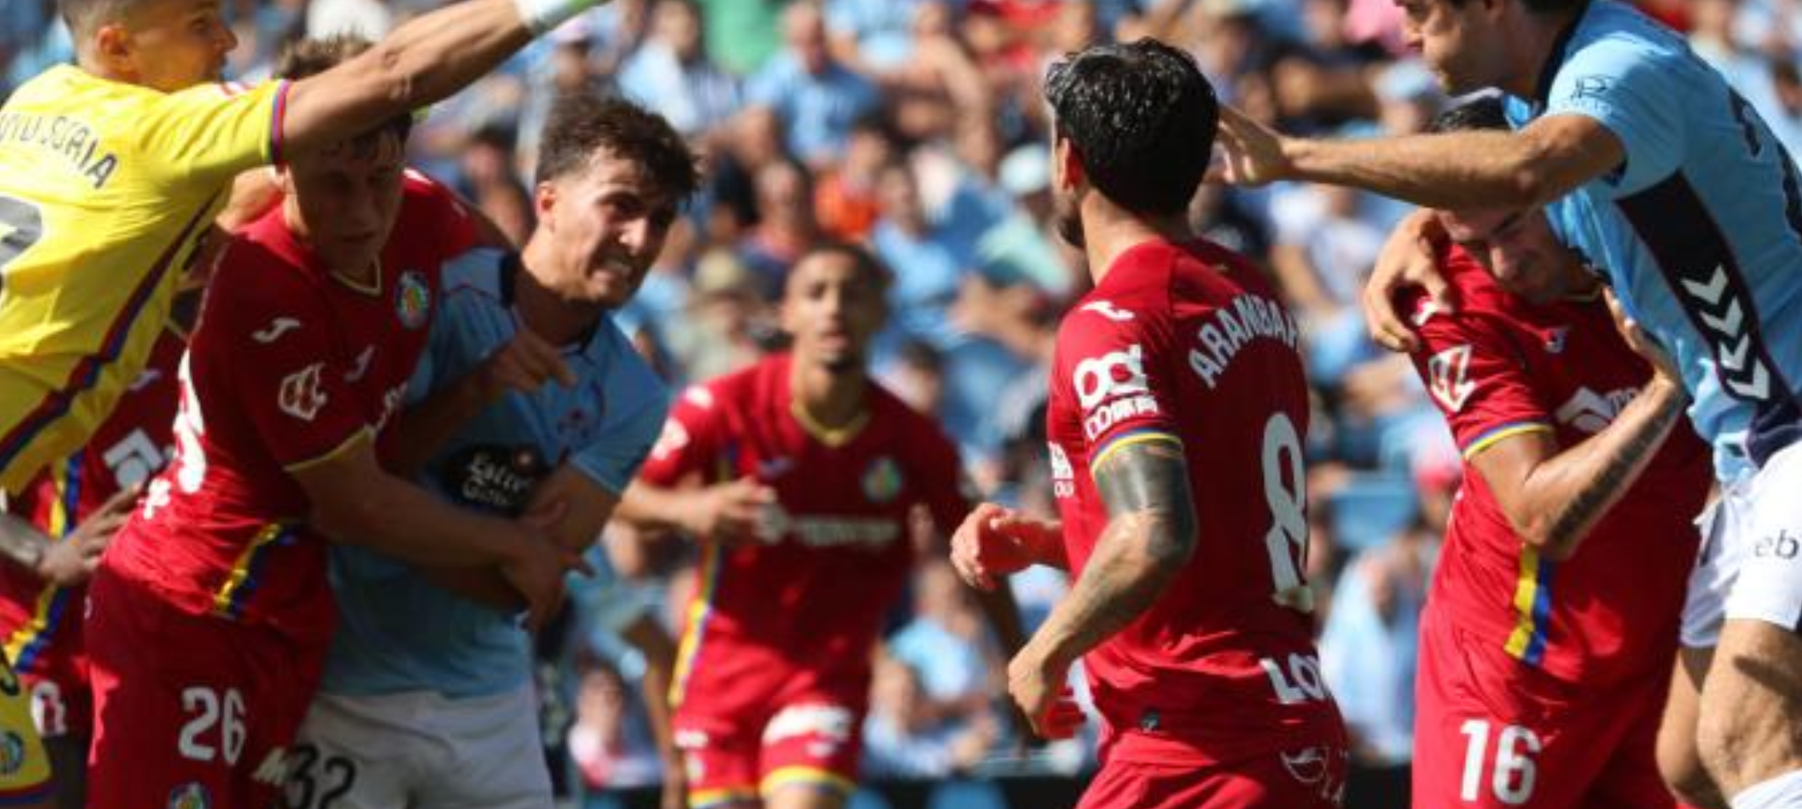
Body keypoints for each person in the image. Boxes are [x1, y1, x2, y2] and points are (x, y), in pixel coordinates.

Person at [0, 0, 686, 806]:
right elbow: (390, 75)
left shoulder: (38, 100)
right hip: (60, 558)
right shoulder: (213, 209)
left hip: (183, 584)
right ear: (118, 48)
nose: (227, 43)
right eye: (199, 25)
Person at [1215, 0, 1802, 809]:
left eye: (1420, 10)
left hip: (1794, 429)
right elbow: (1513, 175)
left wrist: (1300, 157)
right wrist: (1420, 232)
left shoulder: (1617, 76)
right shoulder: (1573, 79)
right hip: (1750, 450)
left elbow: (1529, 169)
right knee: (1691, 762)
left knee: (1748, 738)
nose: (1408, 36)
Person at [951, 39, 1349, 808]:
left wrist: (1043, 651)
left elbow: (1159, 531)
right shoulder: (1247, 288)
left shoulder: (1109, 322)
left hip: (1197, 745)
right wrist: (1047, 542)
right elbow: (1215, 527)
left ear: (1068, 162)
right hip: (1287, 722)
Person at [292, 94, 701, 809]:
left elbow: (520, 587)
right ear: (547, 199)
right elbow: (351, 491)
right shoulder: (433, 297)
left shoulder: (635, 396)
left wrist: (388, 521)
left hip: (489, 708)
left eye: (659, 220)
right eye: (621, 206)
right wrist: (473, 392)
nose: (640, 238)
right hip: (345, 691)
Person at [620, 242, 1025, 809]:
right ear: (786, 313)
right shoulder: (724, 406)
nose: (834, 308)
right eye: (816, 293)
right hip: (721, 676)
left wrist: (1020, 664)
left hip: (825, 676)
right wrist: (688, 510)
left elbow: (984, 552)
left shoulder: (913, 440)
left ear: (880, 314)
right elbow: (616, 494)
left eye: (852, 294)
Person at [1402, 96, 1712, 808]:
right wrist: (1669, 386)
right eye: (1474, 242)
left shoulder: (1665, 242)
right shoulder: (1448, 301)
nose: (1504, 263)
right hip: (1514, 673)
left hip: (1661, 662)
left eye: (1512, 226)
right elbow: (1542, 517)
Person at [0, 324, 186, 809]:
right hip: (39, 652)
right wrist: (43, 553)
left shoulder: (217, 343)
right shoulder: (53, 342)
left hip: (151, 666)